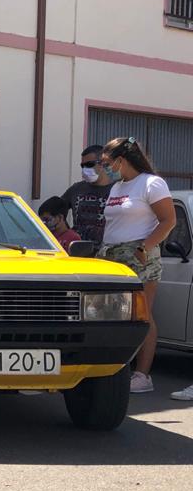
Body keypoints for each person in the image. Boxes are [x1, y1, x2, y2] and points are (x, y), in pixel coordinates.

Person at [99, 137, 176, 394]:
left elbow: (168, 221)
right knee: (110, 313)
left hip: (139, 254)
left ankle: (142, 375)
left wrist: (144, 247)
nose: (103, 168)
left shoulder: (151, 183)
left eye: (106, 162)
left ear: (122, 160)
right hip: (111, 255)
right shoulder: (117, 187)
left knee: (142, 314)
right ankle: (112, 370)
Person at [62, 145, 114, 250]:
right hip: (79, 250)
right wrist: (67, 233)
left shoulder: (119, 189)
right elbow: (56, 211)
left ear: (104, 163)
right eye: (83, 166)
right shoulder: (76, 189)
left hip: (107, 252)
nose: (85, 169)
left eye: (90, 165)